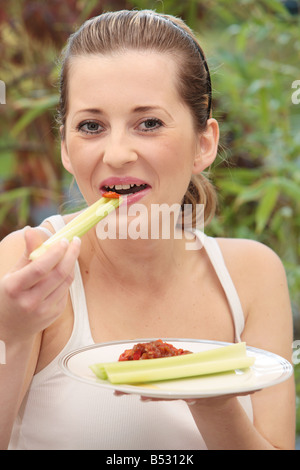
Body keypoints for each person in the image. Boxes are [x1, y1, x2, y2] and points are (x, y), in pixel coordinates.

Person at [0, 9, 295, 450]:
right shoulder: (26, 266)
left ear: (204, 144)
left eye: (149, 123)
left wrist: (210, 397)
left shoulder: (253, 275)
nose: (117, 154)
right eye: (91, 126)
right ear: (65, 148)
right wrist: (13, 336)